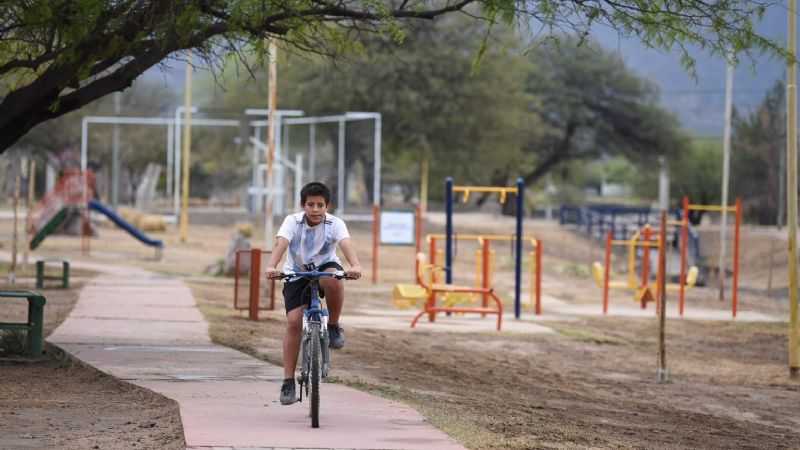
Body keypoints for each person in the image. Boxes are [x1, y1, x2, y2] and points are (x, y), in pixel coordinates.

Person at [264, 181, 362, 405]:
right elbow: (282, 243)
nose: (315, 209)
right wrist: (271, 266)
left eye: (320, 205)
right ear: (302, 205)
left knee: (334, 278)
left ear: (328, 205)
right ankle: (288, 381)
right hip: (296, 273)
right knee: (294, 322)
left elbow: (346, 245)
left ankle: (334, 326)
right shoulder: (292, 222)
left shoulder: (335, 223)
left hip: (325, 266)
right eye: (310, 205)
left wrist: (355, 265)